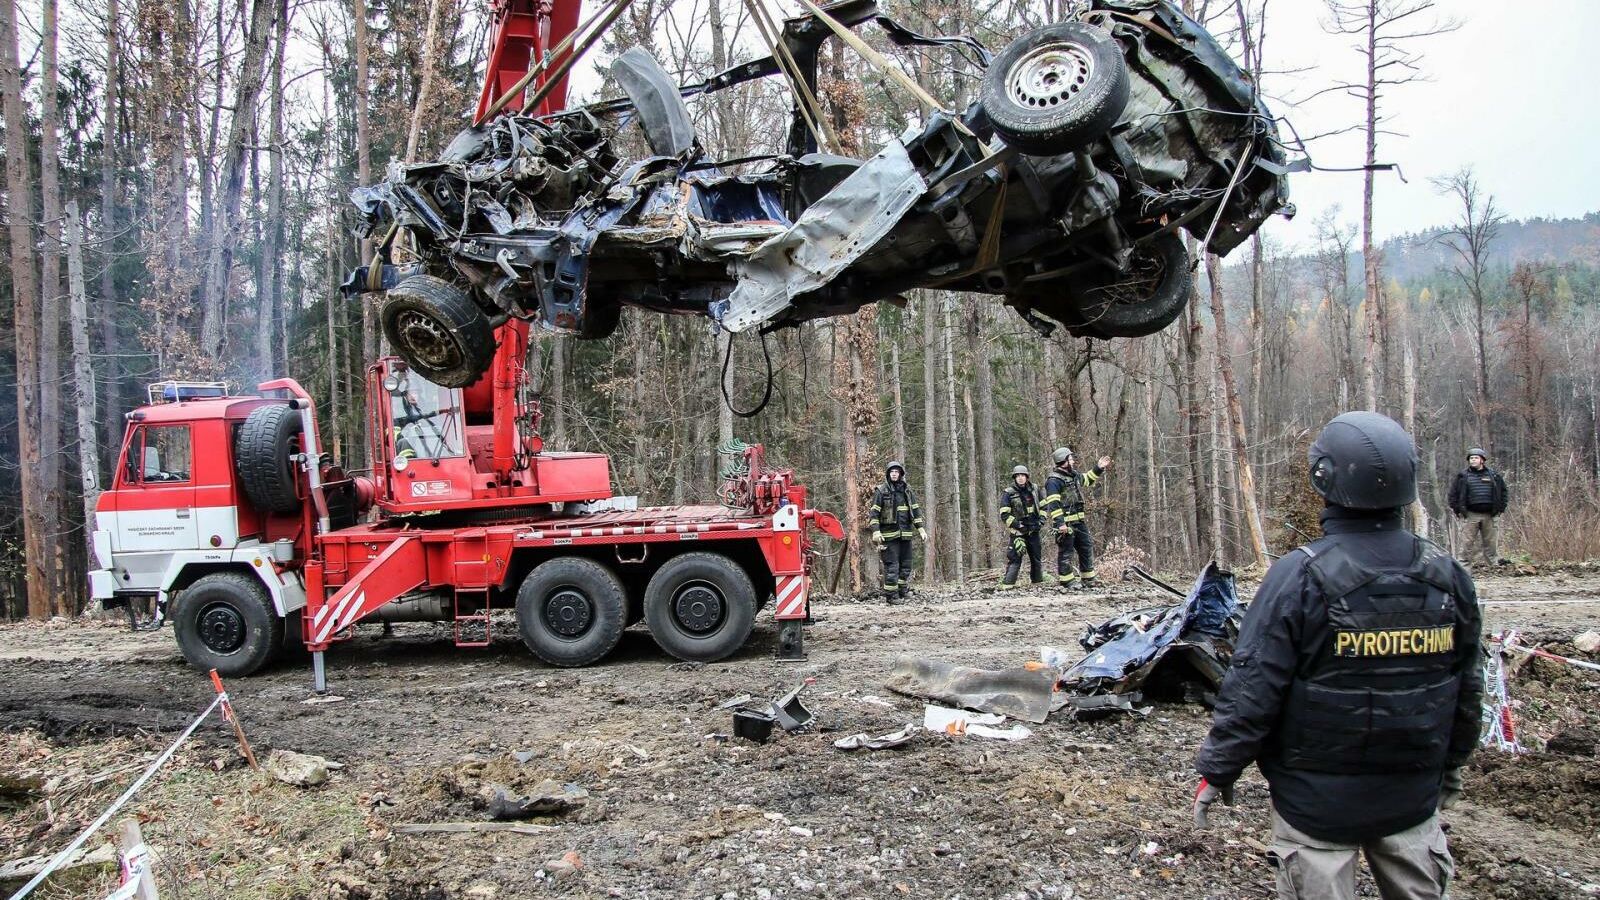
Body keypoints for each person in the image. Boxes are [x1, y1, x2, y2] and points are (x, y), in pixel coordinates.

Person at [1192, 411, 1482, 900]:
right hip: (1411, 795)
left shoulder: (1297, 576)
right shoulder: (1448, 574)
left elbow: (1253, 688)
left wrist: (1219, 767)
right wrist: (1452, 761)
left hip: (1315, 808)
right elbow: (1467, 686)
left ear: (1324, 478)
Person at [1043, 447, 1112, 589]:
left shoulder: (1073, 475)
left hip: (1079, 521)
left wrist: (1098, 468)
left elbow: (1087, 480)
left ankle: (1088, 578)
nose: (1073, 461)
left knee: (1085, 547)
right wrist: (1060, 523)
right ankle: (1067, 581)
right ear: (1063, 461)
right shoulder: (1054, 480)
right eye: (1070, 459)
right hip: (1065, 524)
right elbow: (1054, 504)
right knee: (1066, 551)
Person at [869, 461, 927, 600]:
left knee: (906, 565)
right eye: (892, 472)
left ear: (900, 474)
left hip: (906, 534)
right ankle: (891, 596)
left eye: (897, 472)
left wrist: (921, 529)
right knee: (892, 566)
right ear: (888, 474)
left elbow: (915, 511)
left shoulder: (907, 490)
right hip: (889, 536)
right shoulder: (881, 491)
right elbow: (874, 513)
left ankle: (902, 591)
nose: (894, 474)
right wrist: (876, 531)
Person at [1448, 447, 1509, 566]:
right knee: (1466, 544)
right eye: (1471, 458)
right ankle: (1462, 569)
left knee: (1491, 545)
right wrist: (1458, 510)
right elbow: (1453, 494)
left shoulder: (1494, 476)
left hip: (1490, 515)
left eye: (1476, 458)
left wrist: (1501, 509)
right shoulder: (1462, 476)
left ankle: (1494, 568)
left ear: (1482, 460)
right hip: (1470, 515)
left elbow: (1504, 492)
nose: (1473, 460)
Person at [998, 465, 1045, 588]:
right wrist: (1017, 525)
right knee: (1015, 559)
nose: (1020, 478)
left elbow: (1044, 506)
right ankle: (1008, 586)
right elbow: (1004, 514)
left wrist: (1042, 520)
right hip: (1018, 533)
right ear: (1014, 478)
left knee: (1036, 559)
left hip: (1034, 531)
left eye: (1022, 475)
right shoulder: (1008, 493)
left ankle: (1038, 584)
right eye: (1017, 476)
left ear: (1027, 477)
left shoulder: (1035, 489)